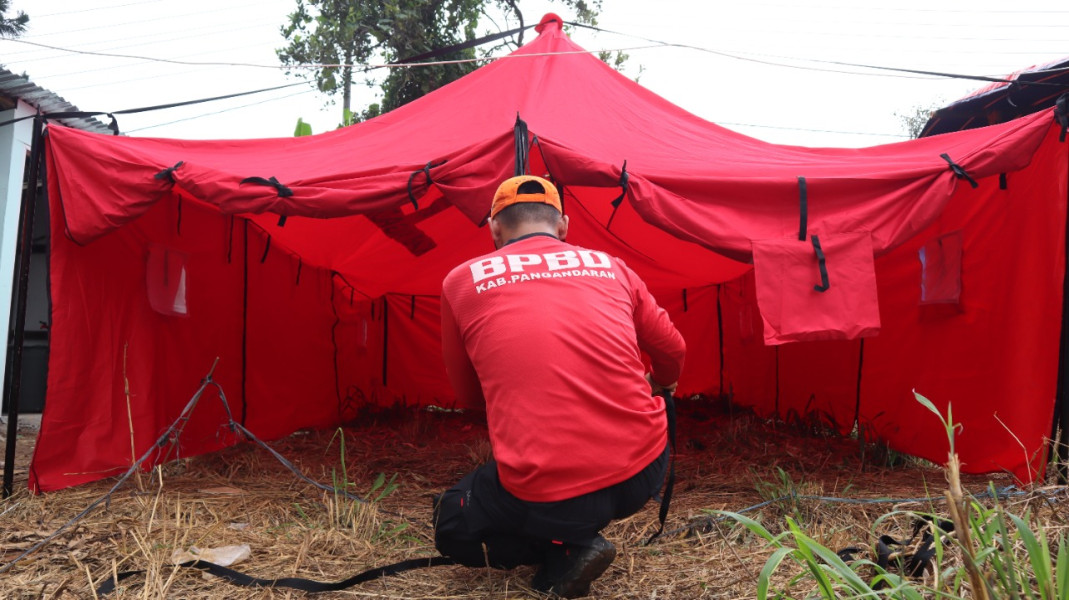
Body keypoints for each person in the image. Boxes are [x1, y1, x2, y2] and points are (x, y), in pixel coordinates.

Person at [435, 174, 685, 598]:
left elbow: (468, 398)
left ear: (494, 229)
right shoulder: (612, 266)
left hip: (548, 489)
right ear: (564, 226)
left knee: (452, 524)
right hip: (644, 470)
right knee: (574, 500)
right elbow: (673, 350)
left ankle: (569, 547)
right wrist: (658, 382)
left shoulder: (461, 280)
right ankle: (573, 538)